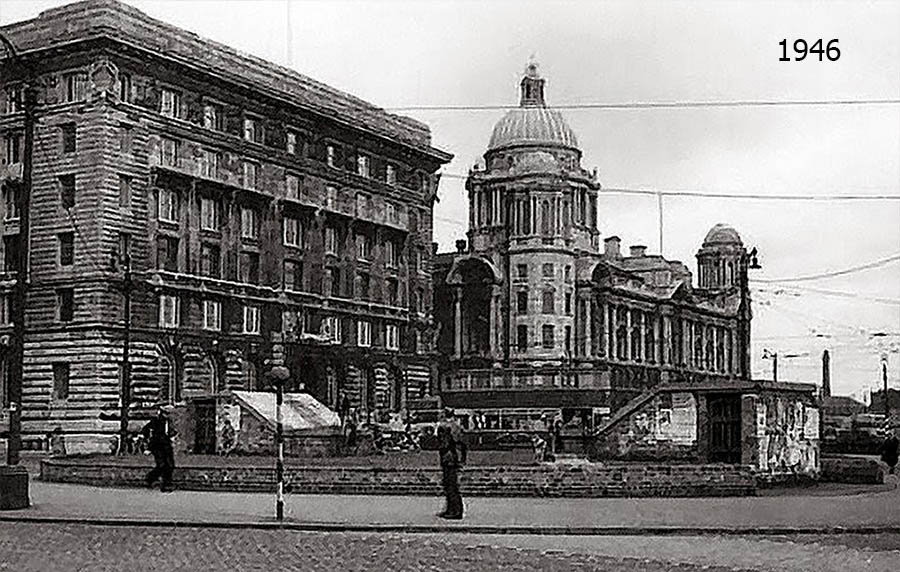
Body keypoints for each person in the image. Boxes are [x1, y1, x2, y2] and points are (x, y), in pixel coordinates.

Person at [437, 408, 466, 519]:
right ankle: (453, 509)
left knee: (450, 485)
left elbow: (444, 444)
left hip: (448, 459)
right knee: (452, 485)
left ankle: (454, 511)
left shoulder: (445, 427)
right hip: (454, 458)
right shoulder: (456, 426)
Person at [142, 405, 177, 492]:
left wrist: (172, 437)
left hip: (167, 445)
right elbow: (146, 430)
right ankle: (151, 479)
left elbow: (170, 431)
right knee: (161, 465)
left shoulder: (168, 422)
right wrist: (148, 443)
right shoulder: (156, 421)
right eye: (167, 413)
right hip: (157, 446)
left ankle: (167, 483)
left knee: (170, 465)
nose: (168, 415)